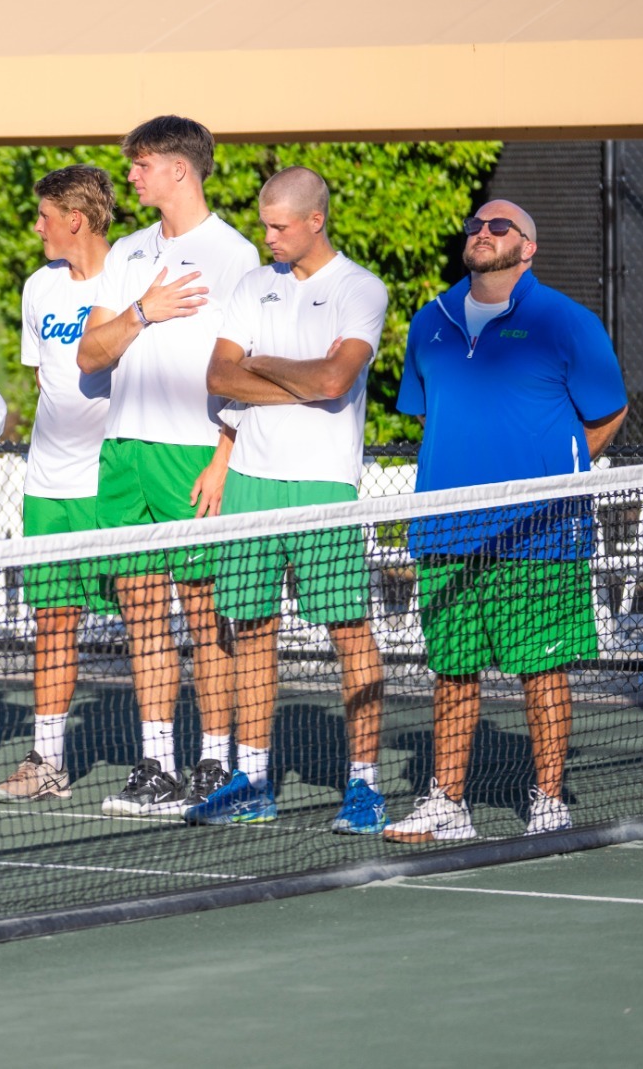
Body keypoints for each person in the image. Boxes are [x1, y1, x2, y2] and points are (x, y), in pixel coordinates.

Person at [386, 200, 627, 842]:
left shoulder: (567, 322)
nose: (483, 233)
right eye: (475, 226)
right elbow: (428, 414)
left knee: (541, 670)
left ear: (529, 247)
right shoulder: (428, 323)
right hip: (444, 532)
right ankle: (448, 804)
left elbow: (606, 414)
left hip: (540, 533)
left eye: (500, 227)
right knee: (453, 671)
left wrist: (558, 469)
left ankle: (549, 800)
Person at [192, 167, 390, 832]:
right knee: (248, 628)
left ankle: (364, 785)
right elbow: (219, 374)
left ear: (315, 220)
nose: (267, 236)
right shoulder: (253, 284)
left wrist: (262, 363)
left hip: (323, 486)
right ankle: (252, 779)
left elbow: (337, 379)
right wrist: (297, 376)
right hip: (250, 480)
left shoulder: (362, 288)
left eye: (279, 225)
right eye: (263, 223)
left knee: (349, 631)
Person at [76, 115, 259, 817]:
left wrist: (224, 455)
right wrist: (142, 312)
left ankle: (216, 760)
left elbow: (245, 369)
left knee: (208, 614)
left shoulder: (236, 255)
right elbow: (91, 353)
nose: (131, 175)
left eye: (142, 164)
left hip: (194, 452)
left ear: (180, 169)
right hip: (123, 452)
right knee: (143, 614)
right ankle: (157, 763)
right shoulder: (126, 252)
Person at [0, 166, 118, 803]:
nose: (35, 227)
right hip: (47, 484)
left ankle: (183, 761)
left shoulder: (132, 274)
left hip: (118, 482)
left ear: (76, 219)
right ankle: (48, 762)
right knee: (54, 621)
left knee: (160, 619)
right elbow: (45, 381)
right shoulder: (39, 286)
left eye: (44, 216)